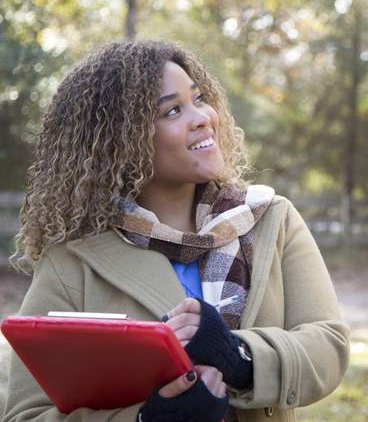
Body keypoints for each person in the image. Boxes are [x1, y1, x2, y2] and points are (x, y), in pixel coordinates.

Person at [1, 41, 350, 422]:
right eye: (172, 110)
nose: (202, 117)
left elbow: (328, 347)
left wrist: (237, 356)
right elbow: (27, 415)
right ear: (121, 143)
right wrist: (146, 419)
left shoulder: (270, 220)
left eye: (199, 99)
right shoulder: (74, 259)